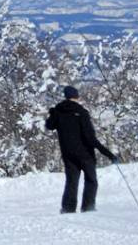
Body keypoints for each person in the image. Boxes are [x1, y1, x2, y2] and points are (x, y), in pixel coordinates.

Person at [45, 85, 118, 213]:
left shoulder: (58, 111)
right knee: (91, 180)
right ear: (77, 96)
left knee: (72, 182)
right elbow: (90, 138)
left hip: (68, 153)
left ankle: (68, 208)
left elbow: (49, 126)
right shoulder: (82, 112)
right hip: (85, 153)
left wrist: (52, 113)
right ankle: (88, 207)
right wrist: (108, 154)